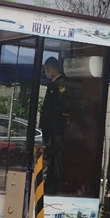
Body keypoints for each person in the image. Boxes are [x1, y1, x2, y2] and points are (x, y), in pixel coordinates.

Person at [40, 56, 69, 193]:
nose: (46, 72)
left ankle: (54, 184)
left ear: (49, 68)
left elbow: (62, 107)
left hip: (55, 128)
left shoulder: (61, 84)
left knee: (55, 157)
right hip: (50, 128)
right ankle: (49, 182)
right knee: (49, 156)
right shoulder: (52, 84)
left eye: (46, 69)